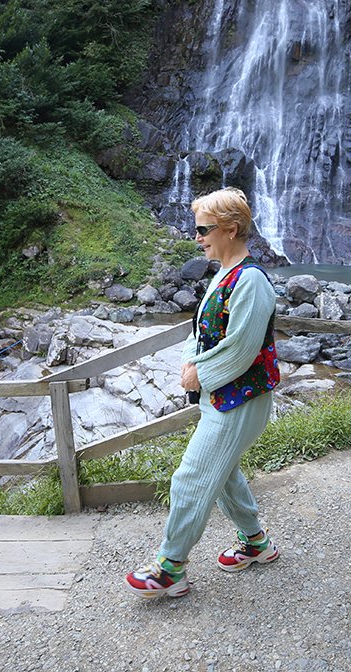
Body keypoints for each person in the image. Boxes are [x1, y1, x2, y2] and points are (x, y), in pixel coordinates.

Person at [126, 187, 281, 598]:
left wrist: (200, 374)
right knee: (224, 473)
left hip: (241, 399)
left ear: (230, 229)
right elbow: (202, 331)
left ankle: (170, 568)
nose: (197, 238)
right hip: (224, 396)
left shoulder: (251, 281)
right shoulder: (226, 274)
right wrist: (189, 363)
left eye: (203, 230)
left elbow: (242, 348)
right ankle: (256, 544)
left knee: (192, 477)